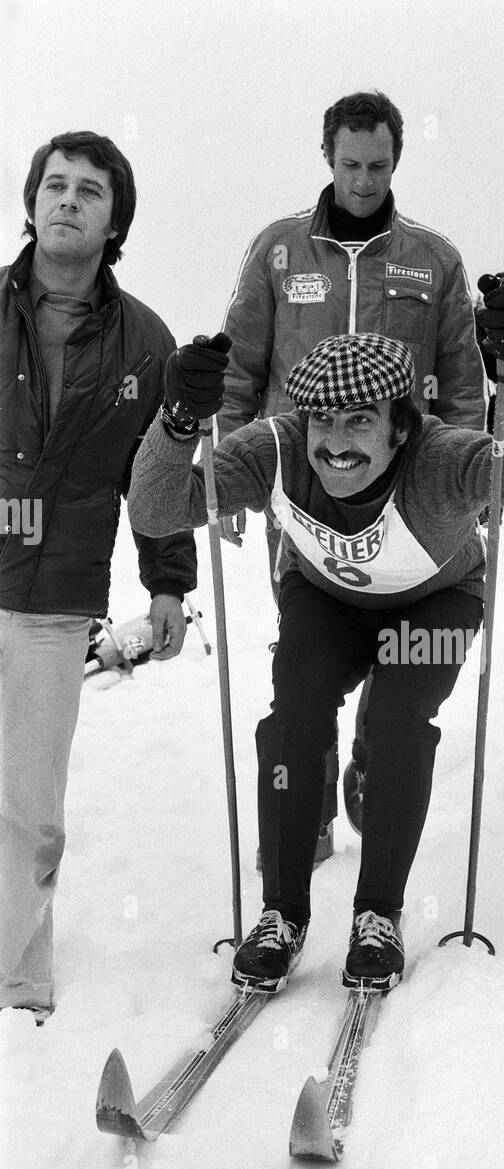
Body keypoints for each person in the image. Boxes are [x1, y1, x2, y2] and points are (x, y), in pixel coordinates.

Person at [128, 276, 504, 992]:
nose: (335, 446)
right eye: (323, 423)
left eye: (359, 423)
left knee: (401, 722)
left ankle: (378, 915)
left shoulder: (443, 459)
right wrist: (178, 421)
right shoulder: (275, 449)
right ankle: (281, 914)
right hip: (326, 599)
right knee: (295, 718)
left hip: (433, 601)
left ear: (401, 426)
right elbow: (158, 509)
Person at [216, 91, 487, 858]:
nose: (364, 180)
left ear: (396, 160)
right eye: (349, 164)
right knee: (310, 649)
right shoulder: (278, 251)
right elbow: (240, 366)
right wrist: (230, 470)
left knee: (394, 645)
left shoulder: (434, 261)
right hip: (299, 484)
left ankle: (373, 754)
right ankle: (308, 809)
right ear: (327, 158)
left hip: (405, 491)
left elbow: (462, 379)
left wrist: (466, 477)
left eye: (377, 165)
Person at [0, 131, 196, 1019]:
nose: (68, 200)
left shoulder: (145, 345)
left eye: (90, 191)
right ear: (32, 200)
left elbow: (156, 479)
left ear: (115, 220)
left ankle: (14, 979)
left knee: (29, 804)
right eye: (55, 184)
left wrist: (168, 586)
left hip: (53, 601)